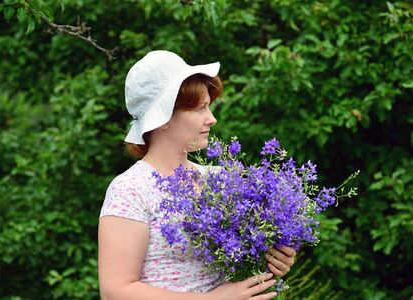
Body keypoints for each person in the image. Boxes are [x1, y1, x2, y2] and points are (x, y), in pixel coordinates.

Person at [98, 50, 297, 300]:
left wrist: (273, 259)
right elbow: (115, 291)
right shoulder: (130, 189)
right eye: (200, 108)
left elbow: (238, 270)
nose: (211, 119)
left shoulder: (221, 179)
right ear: (164, 117)